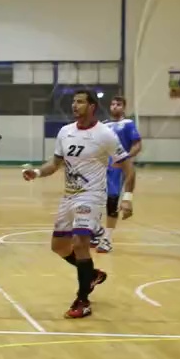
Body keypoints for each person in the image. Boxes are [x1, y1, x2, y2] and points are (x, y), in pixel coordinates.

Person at [22, 90, 135, 318]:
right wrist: (36, 172)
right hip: (69, 196)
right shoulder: (65, 132)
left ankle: (82, 301)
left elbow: (129, 169)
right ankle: (91, 274)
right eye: (73, 101)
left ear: (92, 106)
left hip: (92, 195)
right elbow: (55, 164)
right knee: (59, 247)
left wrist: (127, 199)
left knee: (81, 241)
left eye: (80, 102)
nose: (75, 105)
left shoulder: (105, 134)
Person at [96, 96, 143, 254]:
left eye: (119, 104)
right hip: (102, 166)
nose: (115, 106)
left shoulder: (128, 124)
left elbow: (137, 145)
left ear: (124, 108)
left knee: (112, 200)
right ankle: (96, 233)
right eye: (113, 104)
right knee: (91, 200)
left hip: (117, 167)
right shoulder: (104, 125)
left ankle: (107, 240)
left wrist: (126, 158)